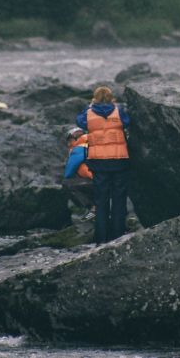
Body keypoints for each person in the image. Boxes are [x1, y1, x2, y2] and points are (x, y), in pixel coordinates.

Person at [76, 86, 131, 244]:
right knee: (119, 199)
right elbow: (127, 122)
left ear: (95, 98)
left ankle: (101, 237)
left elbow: (79, 122)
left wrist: (90, 106)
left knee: (101, 200)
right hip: (119, 160)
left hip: (98, 162)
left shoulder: (88, 112)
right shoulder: (118, 110)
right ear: (111, 97)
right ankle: (118, 236)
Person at [63, 127, 95, 221]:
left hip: (98, 181)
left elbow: (68, 173)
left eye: (69, 140)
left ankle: (93, 209)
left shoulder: (78, 149)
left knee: (67, 184)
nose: (68, 143)